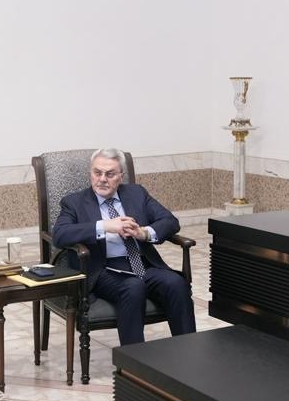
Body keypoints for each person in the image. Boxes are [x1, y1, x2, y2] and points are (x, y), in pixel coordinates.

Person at [52, 148, 196, 345]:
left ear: (121, 176)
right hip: (103, 270)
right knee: (133, 287)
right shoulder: (74, 202)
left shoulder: (136, 193)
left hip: (142, 264)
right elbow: (60, 235)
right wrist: (105, 226)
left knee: (176, 284)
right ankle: (132, 360)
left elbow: (170, 221)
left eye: (110, 174)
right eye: (97, 172)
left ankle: (189, 352)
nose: (102, 179)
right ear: (90, 173)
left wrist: (144, 233)